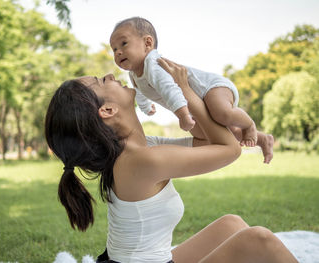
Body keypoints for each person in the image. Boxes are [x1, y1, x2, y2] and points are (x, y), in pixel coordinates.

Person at [45, 58, 297, 262]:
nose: (111, 76)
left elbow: (207, 141)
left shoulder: (139, 150)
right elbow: (229, 149)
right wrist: (184, 90)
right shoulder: (140, 160)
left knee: (232, 225)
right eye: (102, 81)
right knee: (259, 239)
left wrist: (167, 91)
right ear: (108, 111)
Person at [109, 16, 274, 164]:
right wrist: (146, 107)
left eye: (124, 44)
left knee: (221, 113)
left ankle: (249, 124)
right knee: (217, 134)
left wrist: (182, 114)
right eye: (114, 49)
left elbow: (170, 89)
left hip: (211, 88)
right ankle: (262, 139)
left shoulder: (153, 65)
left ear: (148, 43)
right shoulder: (134, 74)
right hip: (195, 103)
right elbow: (139, 92)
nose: (118, 52)